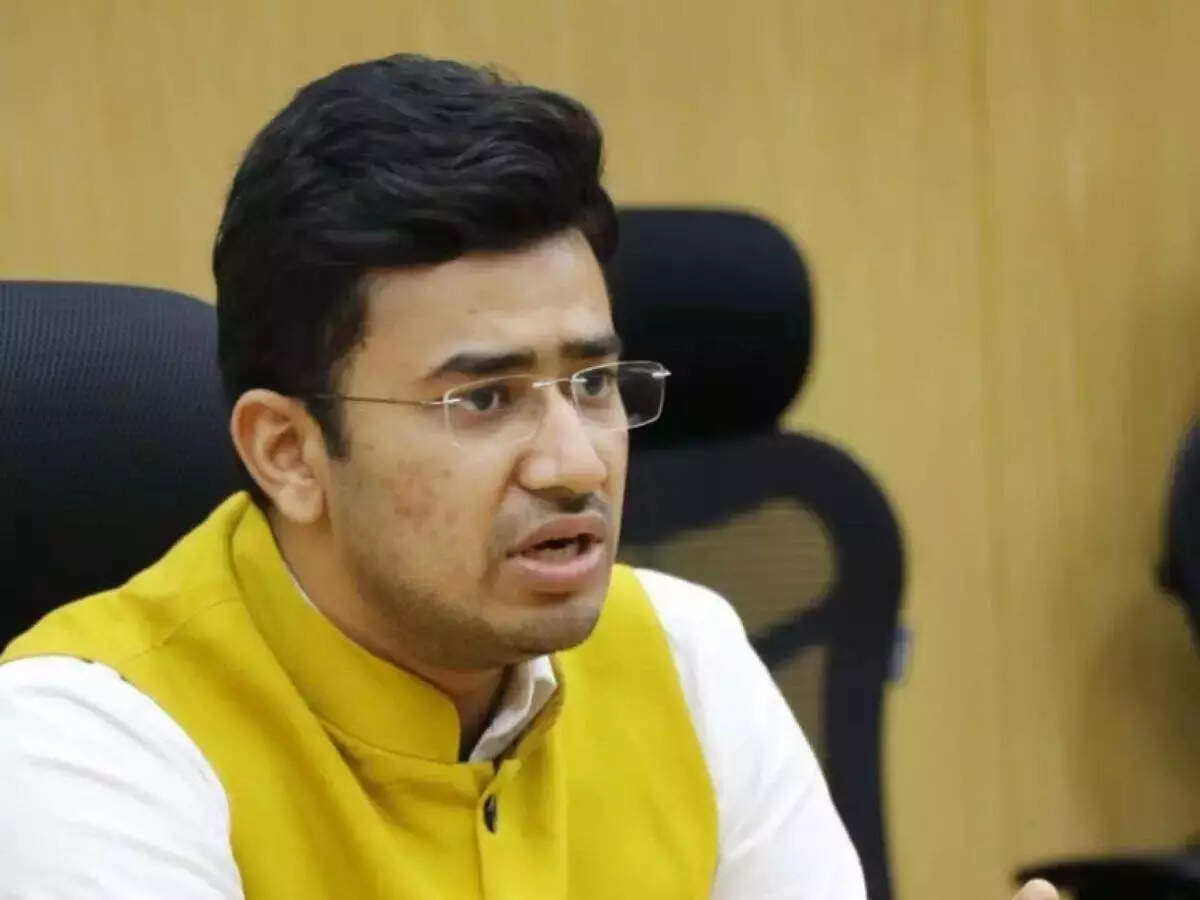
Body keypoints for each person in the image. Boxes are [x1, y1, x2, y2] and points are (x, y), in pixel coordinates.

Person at [0, 54, 1056, 900]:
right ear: (289, 451)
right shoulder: (86, 746)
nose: (575, 462)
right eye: (483, 399)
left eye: (592, 383)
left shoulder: (686, 658)